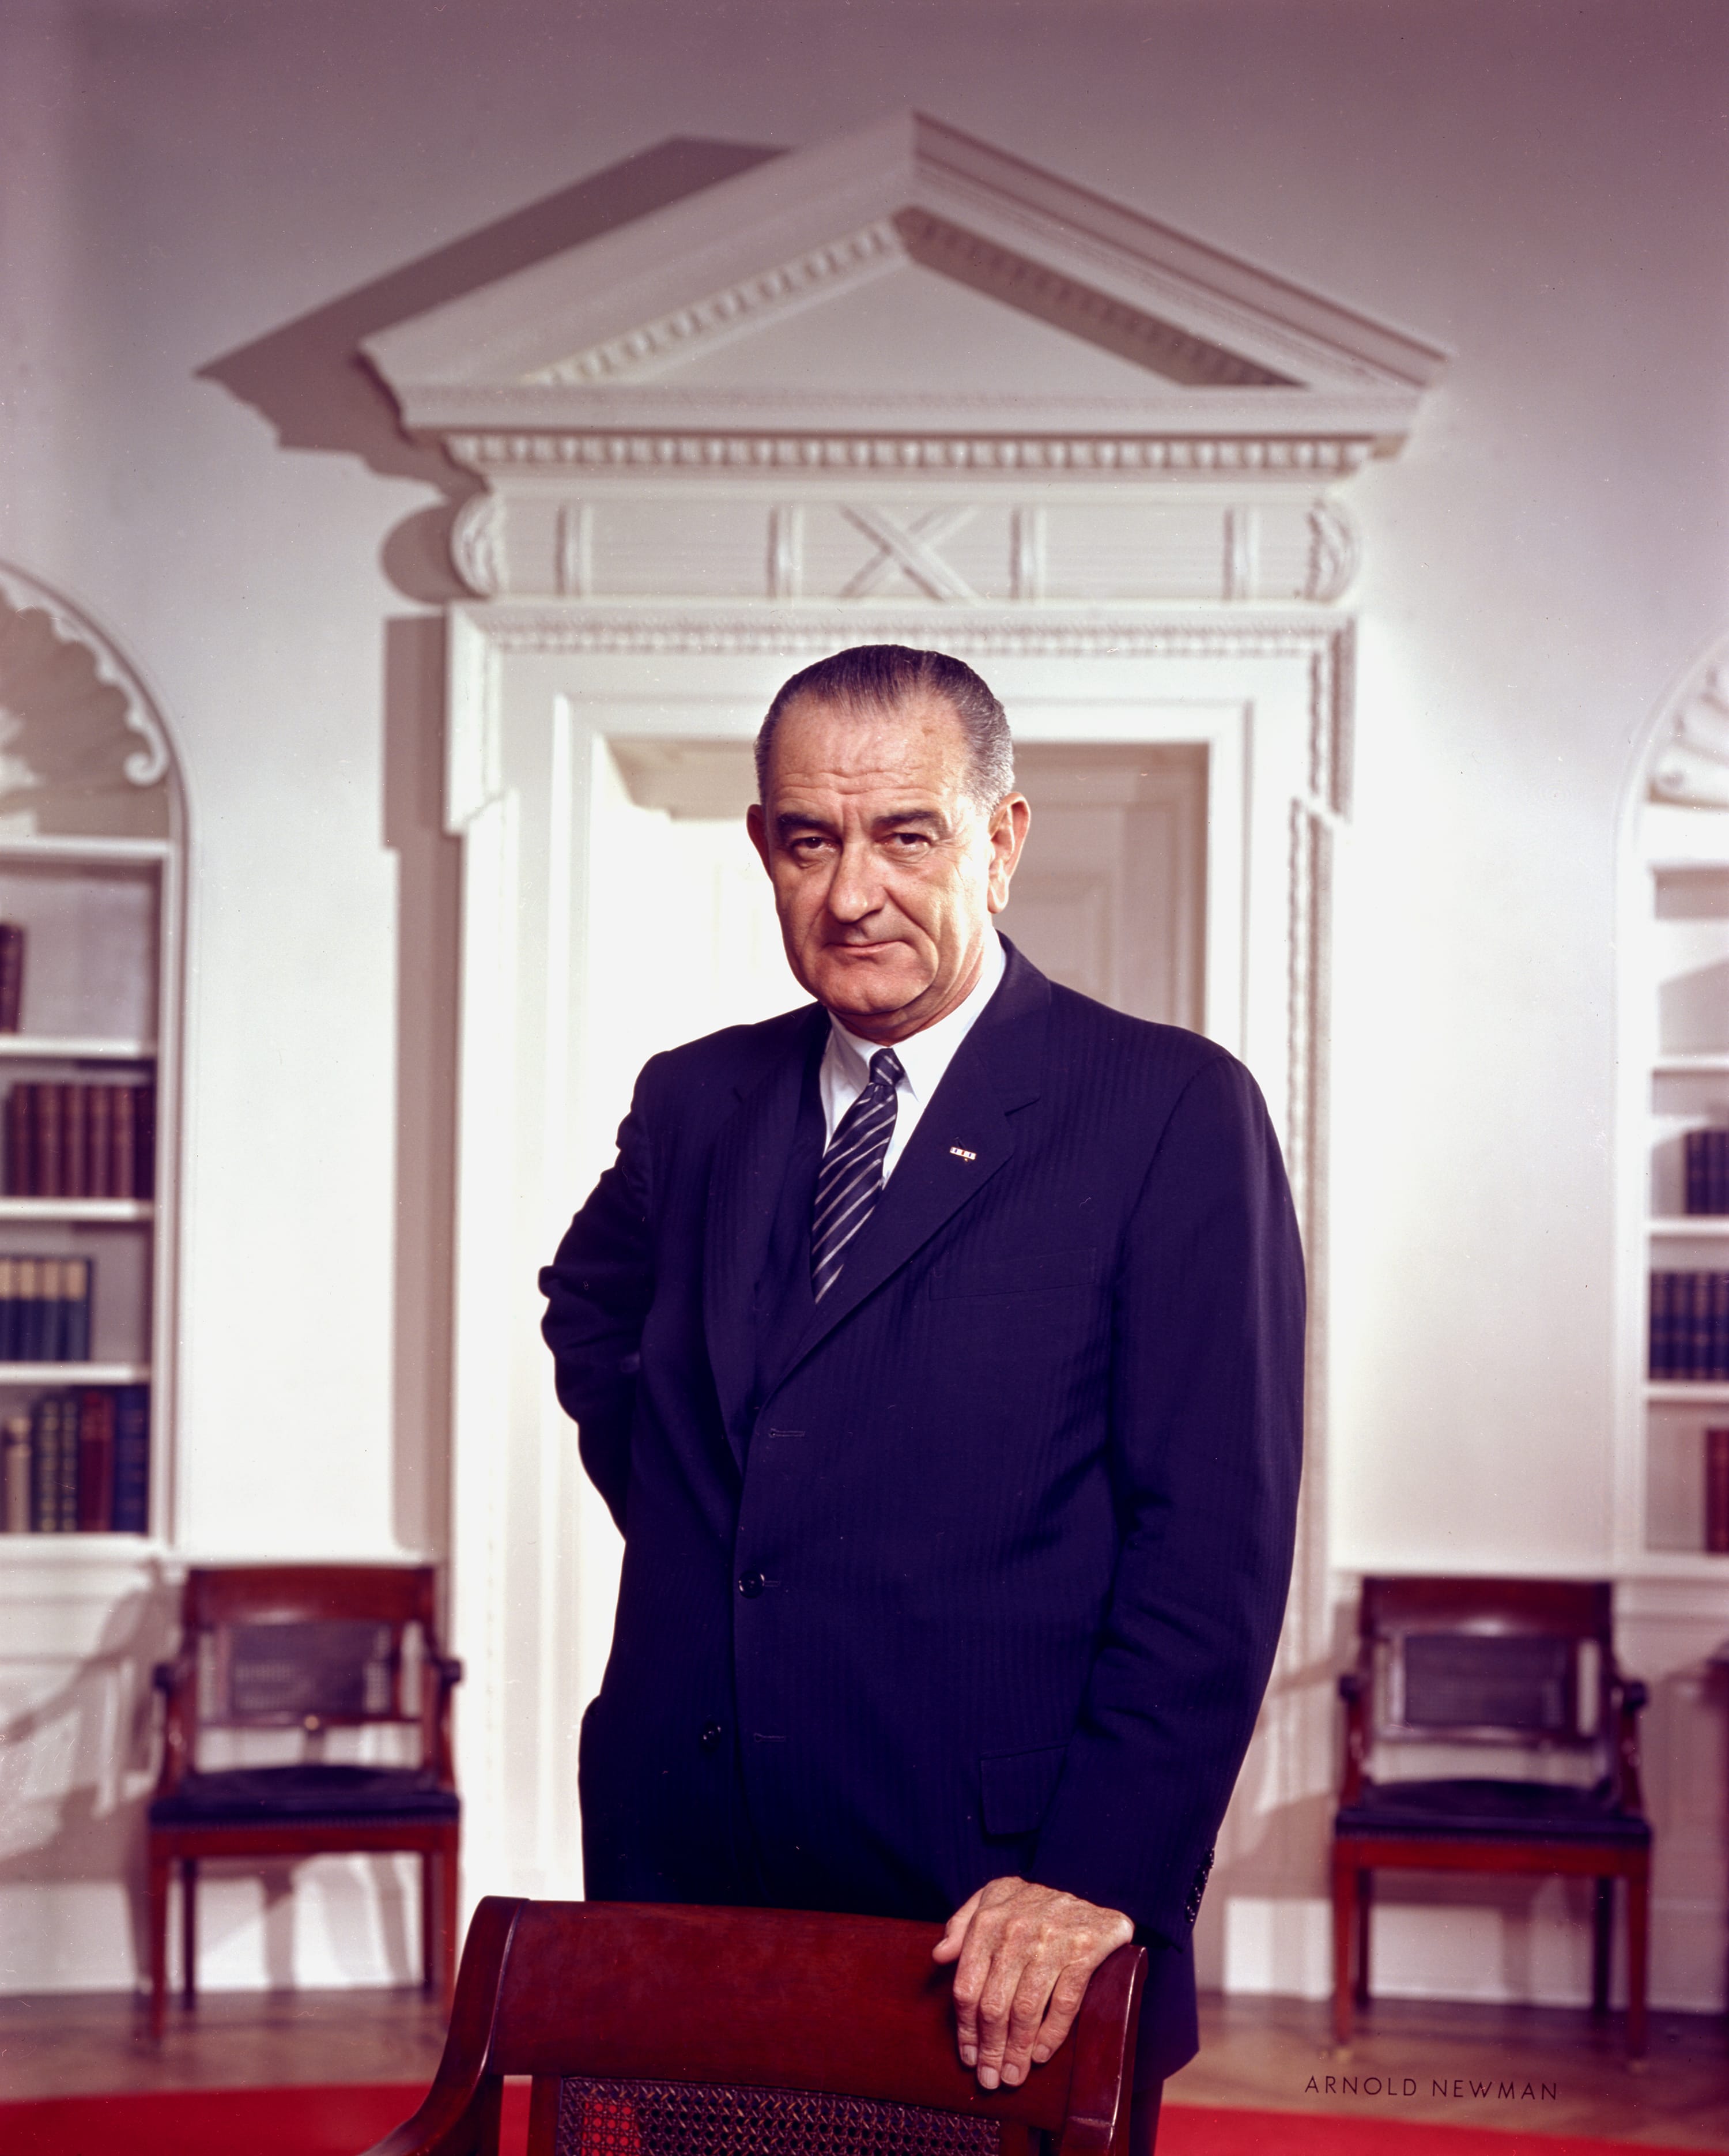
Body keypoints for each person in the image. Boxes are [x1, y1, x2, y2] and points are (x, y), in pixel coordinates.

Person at [539, 644, 1304, 2153]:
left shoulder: (1167, 1110)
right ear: (765, 842)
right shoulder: (696, 1099)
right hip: (695, 1858)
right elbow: (590, 1305)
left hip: (999, 1891)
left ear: (1002, 839)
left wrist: (1099, 1872)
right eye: (811, 839)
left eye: (908, 835)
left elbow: (1208, 1547)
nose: (852, 894)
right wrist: (713, 1519)